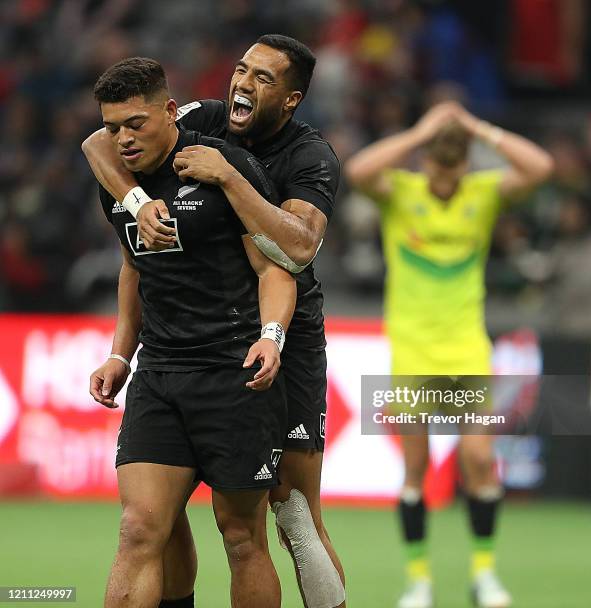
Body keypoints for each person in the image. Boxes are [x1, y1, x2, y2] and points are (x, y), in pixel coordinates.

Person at [82, 36, 346, 608]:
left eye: (263, 79)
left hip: (286, 334)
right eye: (241, 70)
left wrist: (229, 177)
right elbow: (96, 144)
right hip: (176, 353)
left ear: (292, 98)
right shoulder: (199, 119)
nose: (243, 85)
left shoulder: (309, 157)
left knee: (293, 515)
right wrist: (135, 203)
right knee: (150, 521)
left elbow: (296, 252)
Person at [345, 101, 554, 608]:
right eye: (436, 170)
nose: (443, 181)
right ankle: (418, 581)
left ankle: (484, 575)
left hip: (465, 348)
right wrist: (420, 132)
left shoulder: (482, 194)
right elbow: (357, 170)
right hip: (414, 351)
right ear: (426, 165)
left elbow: (541, 167)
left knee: (479, 458)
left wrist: (478, 127)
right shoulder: (403, 192)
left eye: (452, 170)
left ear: (465, 165)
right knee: (415, 472)